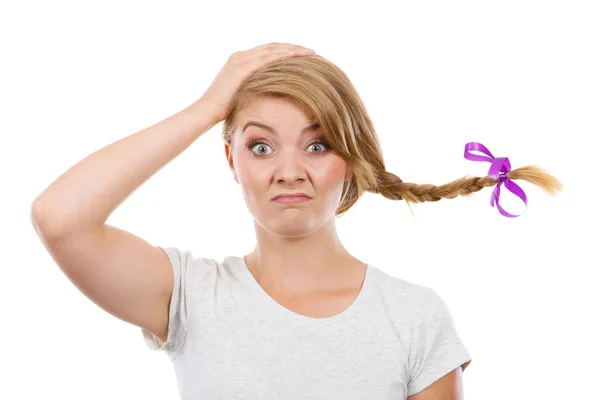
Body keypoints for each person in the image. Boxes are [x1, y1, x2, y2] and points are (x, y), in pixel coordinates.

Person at [31, 42, 562, 399]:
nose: (289, 171)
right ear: (231, 162)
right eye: (260, 145)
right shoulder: (191, 296)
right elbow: (60, 218)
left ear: (351, 159)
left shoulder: (414, 318)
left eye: (318, 144)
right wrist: (207, 107)